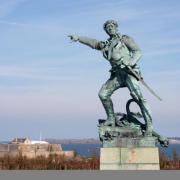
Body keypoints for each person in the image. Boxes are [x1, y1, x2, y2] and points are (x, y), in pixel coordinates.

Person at [68, 20, 153, 136]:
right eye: (107, 27)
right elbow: (93, 43)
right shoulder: (106, 44)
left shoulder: (124, 39)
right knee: (103, 94)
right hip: (117, 75)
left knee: (138, 97)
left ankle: (149, 125)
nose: (110, 28)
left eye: (112, 26)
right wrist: (78, 38)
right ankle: (111, 118)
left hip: (129, 72)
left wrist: (131, 61)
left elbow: (137, 51)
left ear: (116, 27)